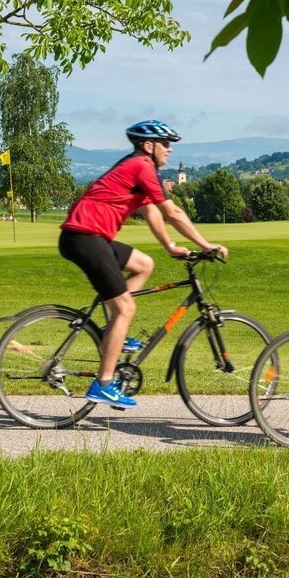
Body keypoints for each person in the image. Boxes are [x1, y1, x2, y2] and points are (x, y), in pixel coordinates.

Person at [59, 119, 229, 409]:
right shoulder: (141, 166)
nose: (169, 150)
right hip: (85, 238)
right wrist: (206, 245)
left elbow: (151, 212)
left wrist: (170, 247)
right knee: (126, 308)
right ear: (148, 145)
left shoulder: (138, 168)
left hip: (89, 238)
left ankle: (111, 332)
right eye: (166, 144)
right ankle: (103, 384)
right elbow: (173, 213)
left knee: (144, 264)